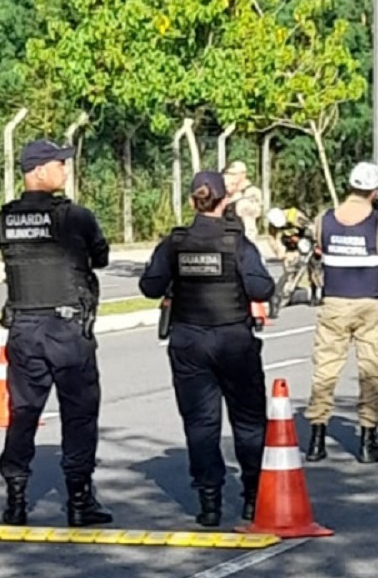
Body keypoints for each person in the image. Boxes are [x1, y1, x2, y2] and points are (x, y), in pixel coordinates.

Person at [138, 171, 276, 527]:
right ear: (224, 201)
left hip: (189, 342)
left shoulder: (175, 243)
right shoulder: (237, 242)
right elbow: (262, 289)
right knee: (248, 421)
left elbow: (150, 287)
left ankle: (209, 503)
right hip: (234, 342)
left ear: (191, 202)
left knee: (201, 423)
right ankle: (252, 497)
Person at [0, 139, 112, 528]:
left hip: (24, 328)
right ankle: (79, 501)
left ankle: (15, 501)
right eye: (59, 163)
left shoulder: (5, 218)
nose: (65, 169)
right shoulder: (75, 216)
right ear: (39, 170)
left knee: (23, 413)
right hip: (66, 329)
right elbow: (101, 257)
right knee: (79, 413)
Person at [303, 161, 378, 464]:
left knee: (325, 370)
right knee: (371, 372)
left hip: (333, 304)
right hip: (368, 305)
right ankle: (367, 442)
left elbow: (318, 249)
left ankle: (316, 441)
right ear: (375, 191)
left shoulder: (324, 219)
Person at [265, 206, 324, 316]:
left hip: (305, 240)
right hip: (290, 244)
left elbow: (311, 228)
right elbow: (272, 238)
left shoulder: (295, 216)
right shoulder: (272, 224)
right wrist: (278, 252)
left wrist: (316, 243)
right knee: (288, 267)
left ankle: (315, 293)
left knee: (314, 267)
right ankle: (284, 291)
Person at [223, 161, 263, 241]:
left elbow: (248, 211)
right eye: (228, 174)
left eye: (233, 174)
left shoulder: (252, 191)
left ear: (242, 175)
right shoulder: (229, 192)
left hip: (246, 235)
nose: (230, 177)